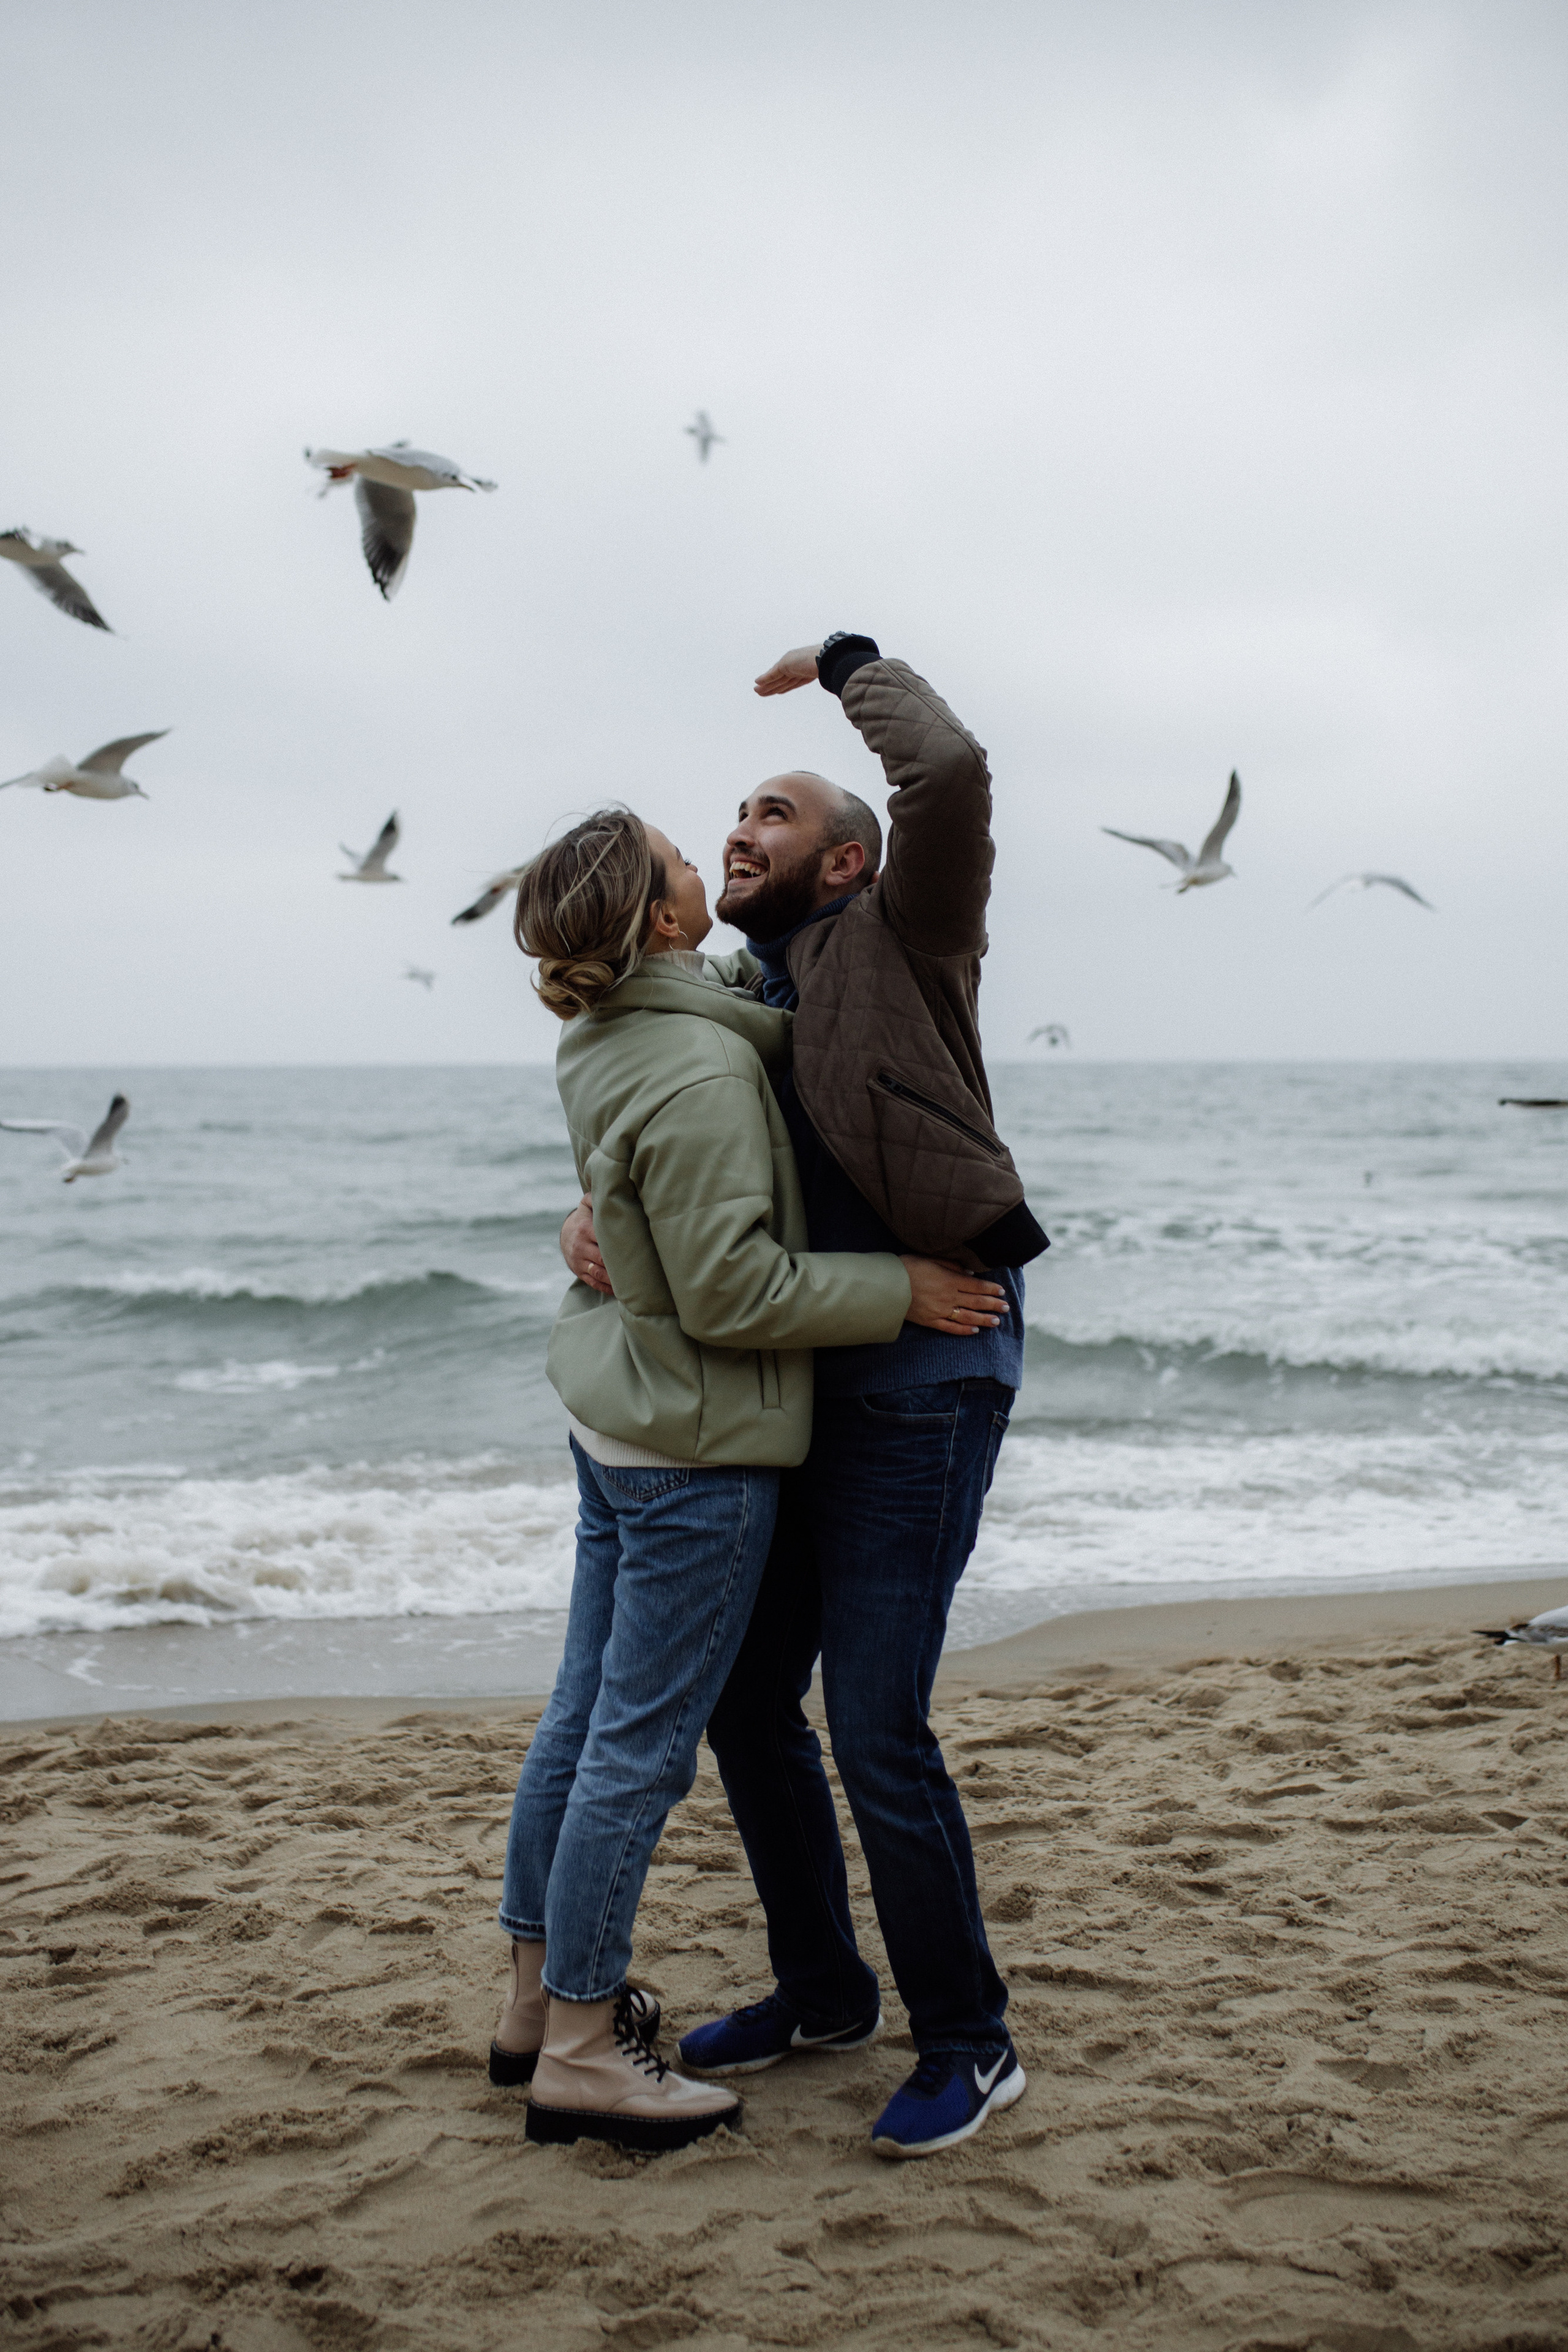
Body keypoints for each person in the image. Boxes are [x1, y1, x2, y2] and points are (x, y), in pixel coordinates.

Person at [562, 634, 1049, 2159]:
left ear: (845, 859)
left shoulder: (906, 933)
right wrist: (586, 1220)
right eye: (730, 819)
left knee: (875, 1722)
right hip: (796, 1377)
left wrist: (848, 661)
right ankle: (825, 1988)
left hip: (926, 1366)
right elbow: (659, 1130)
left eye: (771, 815)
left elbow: (949, 773)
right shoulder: (733, 993)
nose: (737, 832)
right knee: (744, 1700)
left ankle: (969, 2042)